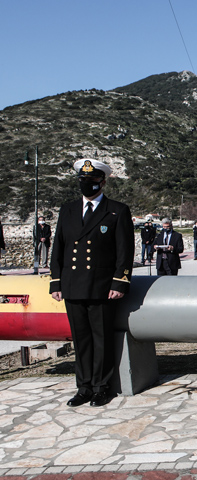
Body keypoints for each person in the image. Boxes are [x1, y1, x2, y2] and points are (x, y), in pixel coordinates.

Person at [49, 158, 133, 408]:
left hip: (102, 287)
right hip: (73, 286)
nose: (87, 185)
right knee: (81, 339)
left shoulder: (117, 210)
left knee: (102, 339)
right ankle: (83, 387)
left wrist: (119, 283)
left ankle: (101, 387)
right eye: (83, 181)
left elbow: (124, 251)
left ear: (102, 182)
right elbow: (58, 249)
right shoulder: (68, 210)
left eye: (92, 181)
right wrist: (56, 282)